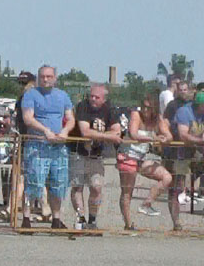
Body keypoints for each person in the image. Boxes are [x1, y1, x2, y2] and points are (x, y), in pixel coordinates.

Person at [21, 66, 75, 230]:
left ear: (55, 78)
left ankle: (56, 219)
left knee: (58, 183)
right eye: (43, 76)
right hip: (37, 145)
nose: (45, 79)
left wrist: (65, 131)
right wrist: (45, 131)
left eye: (49, 76)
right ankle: (26, 218)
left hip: (58, 146)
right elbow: (28, 118)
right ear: (38, 78)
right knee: (33, 182)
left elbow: (70, 118)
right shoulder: (30, 95)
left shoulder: (63, 95)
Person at [67, 84, 122, 230]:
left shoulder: (110, 109)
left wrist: (105, 135)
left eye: (97, 97)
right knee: (77, 186)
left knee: (96, 187)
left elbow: (117, 131)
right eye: (91, 96)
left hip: (97, 155)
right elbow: (85, 131)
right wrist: (108, 136)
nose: (93, 99)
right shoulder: (83, 106)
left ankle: (92, 219)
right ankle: (80, 218)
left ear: (104, 99)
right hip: (79, 153)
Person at [116, 91, 172, 230]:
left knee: (167, 177)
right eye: (144, 106)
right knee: (127, 192)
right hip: (128, 156)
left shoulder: (157, 119)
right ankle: (128, 224)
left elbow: (168, 135)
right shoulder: (136, 114)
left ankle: (147, 203)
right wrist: (153, 138)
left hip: (142, 158)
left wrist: (165, 138)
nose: (145, 110)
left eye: (149, 107)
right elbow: (134, 134)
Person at [167, 92, 204, 230]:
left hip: (197, 152)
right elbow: (183, 135)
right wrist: (200, 141)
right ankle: (176, 223)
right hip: (179, 153)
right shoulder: (184, 112)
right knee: (176, 188)